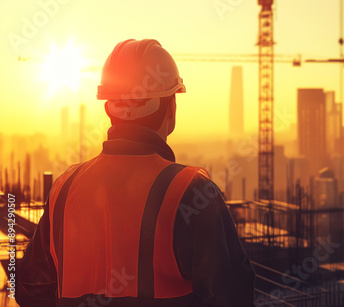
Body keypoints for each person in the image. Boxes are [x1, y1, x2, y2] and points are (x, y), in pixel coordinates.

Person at [16, 39, 255, 307]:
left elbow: (29, 289)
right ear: (171, 108)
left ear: (109, 107)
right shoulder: (190, 191)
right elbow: (234, 297)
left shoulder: (65, 188)